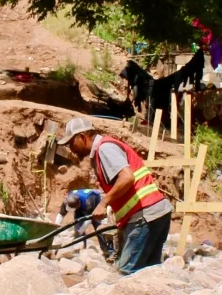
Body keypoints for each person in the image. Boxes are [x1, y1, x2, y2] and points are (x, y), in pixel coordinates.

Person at [57, 116, 172, 273]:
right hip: (156, 213)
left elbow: (127, 177)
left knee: (126, 273)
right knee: (148, 274)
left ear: (82, 137)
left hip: (144, 215)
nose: (71, 148)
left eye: (71, 143)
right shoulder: (103, 150)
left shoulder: (105, 149)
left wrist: (103, 203)